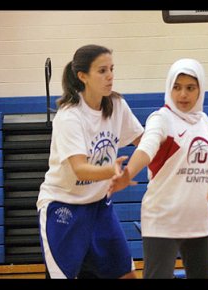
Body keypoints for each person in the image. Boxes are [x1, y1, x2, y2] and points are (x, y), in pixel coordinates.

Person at [107, 58, 208, 279]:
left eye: (190, 88)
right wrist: (128, 172)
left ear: (200, 90)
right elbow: (146, 148)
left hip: (199, 223)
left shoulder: (203, 121)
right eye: (176, 87)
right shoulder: (161, 119)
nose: (183, 94)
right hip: (162, 221)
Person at [36, 44, 144, 279]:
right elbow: (80, 170)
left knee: (126, 275)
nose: (110, 76)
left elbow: (144, 141)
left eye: (112, 69)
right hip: (63, 206)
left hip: (99, 207)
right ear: (82, 76)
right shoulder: (70, 116)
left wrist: (167, 144)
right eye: (102, 70)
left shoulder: (117, 105)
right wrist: (112, 171)